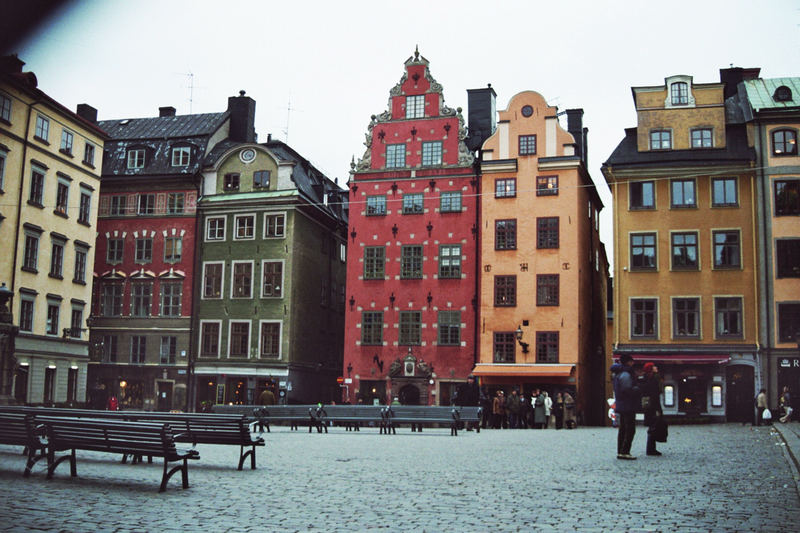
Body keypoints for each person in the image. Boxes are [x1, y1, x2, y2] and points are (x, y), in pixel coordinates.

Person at [612, 354, 640, 460]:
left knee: (623, 429)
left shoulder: (618, 374)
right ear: (628, 362)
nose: (633, 363)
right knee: (630, 429)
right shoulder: (626, 374)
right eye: (632, 361)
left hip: (621, 404)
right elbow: (627, 389)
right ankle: (625, 451)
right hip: (628, 405)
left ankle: (620, 451)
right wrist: (637, 389)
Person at [639, 362, 663, 456]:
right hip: (653, 405)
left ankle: (651, 448)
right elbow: (655, 393)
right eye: (653, 367)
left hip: (649, 405)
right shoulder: (653, 379)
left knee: (652, 426)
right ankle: (651, 449)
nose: (656, 367)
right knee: (653, 426)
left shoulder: (646, 378)